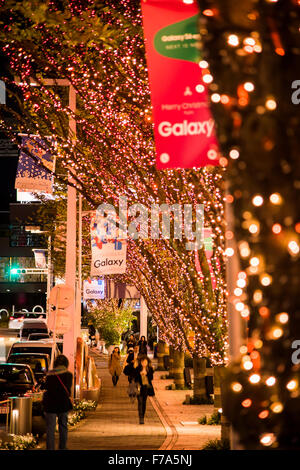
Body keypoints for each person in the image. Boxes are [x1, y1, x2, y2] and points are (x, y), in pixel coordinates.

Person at [42, 354, 73, 451]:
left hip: (50, 404)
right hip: (63, 403)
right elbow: (68, 389)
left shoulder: (49, 375)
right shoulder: (69, 375)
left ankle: (50, 448)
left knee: (50, 428)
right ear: (66, 363)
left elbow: (46, 387)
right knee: (63, 426)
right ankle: (62, 447)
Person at [134, 355, 154, 424]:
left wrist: (146, 374)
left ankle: (143, 415)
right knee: (140, 402)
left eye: (145, 362)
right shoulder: (137, 369)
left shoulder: (150, 369)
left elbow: (151, 378)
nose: (144, 363)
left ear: (147, 362)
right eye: (143, 362)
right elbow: (135, 379)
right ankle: (141, 417)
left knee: (144, 402)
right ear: (141, 362)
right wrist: (140, 374)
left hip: (146, 388)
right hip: (139, 387)